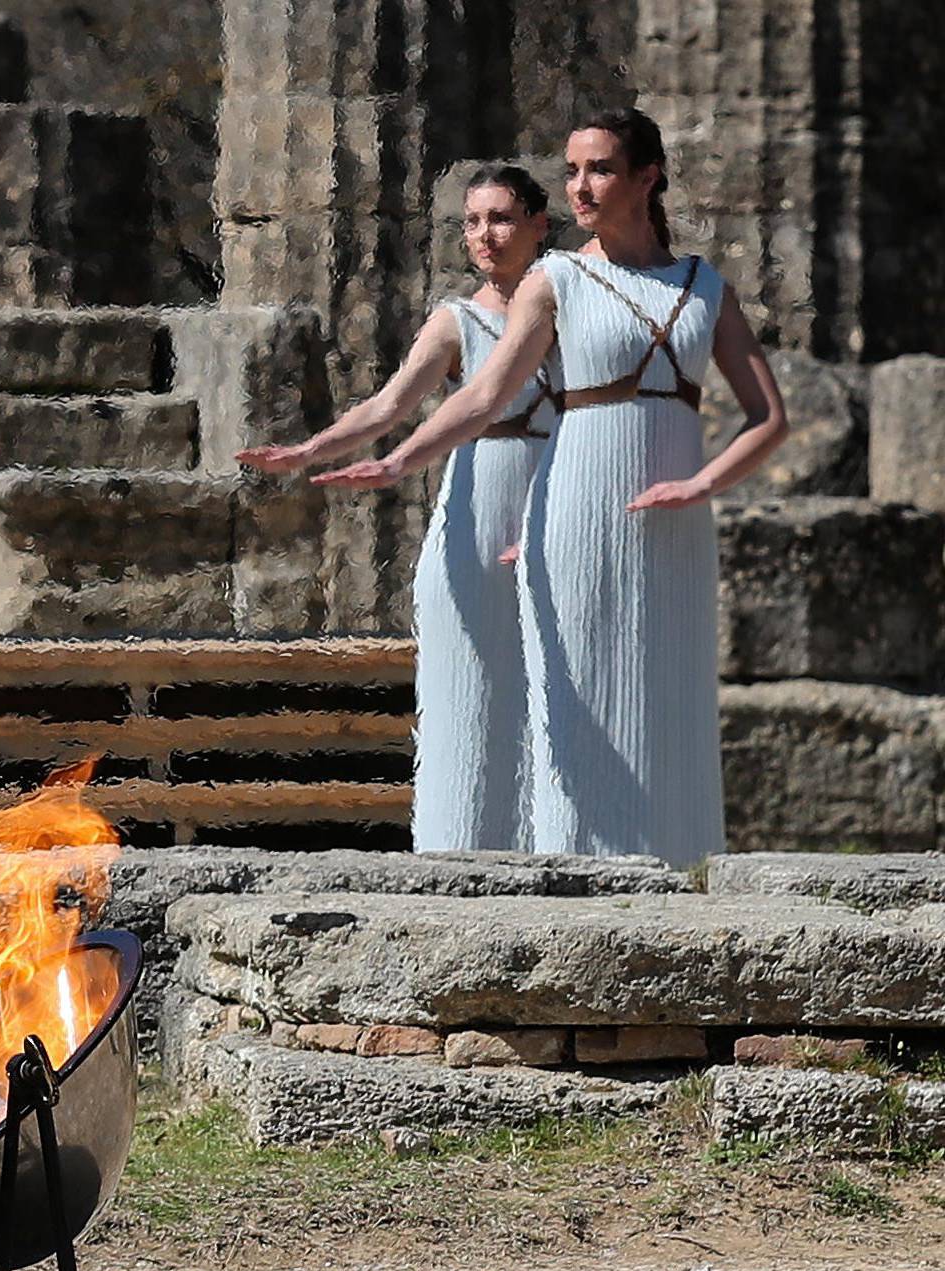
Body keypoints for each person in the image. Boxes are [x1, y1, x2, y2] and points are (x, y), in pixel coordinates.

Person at [313, 109, 789, 865]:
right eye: (571, 171)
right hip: (575, 517)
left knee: (672, 711)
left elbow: (769, 419)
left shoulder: (704, 287)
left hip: (674, 532)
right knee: (573, 725)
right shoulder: (556, 278)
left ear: (647, 177)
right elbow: (483, 398)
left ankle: (680, 895)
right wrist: (401, 459)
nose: (580, 186)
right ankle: (573, 901)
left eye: (598, 169)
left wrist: (701, 483)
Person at [239, 165, 560, 850]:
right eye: (472, 221)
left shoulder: (569, 308)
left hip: (556, 510)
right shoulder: (459, 321)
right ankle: (459, 852)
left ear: (539, 224)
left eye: (500, 218)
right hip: (476, 520)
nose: (484, 235)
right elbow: (389, 406)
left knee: (554, 696)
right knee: (472, 698)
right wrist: (310, 452)